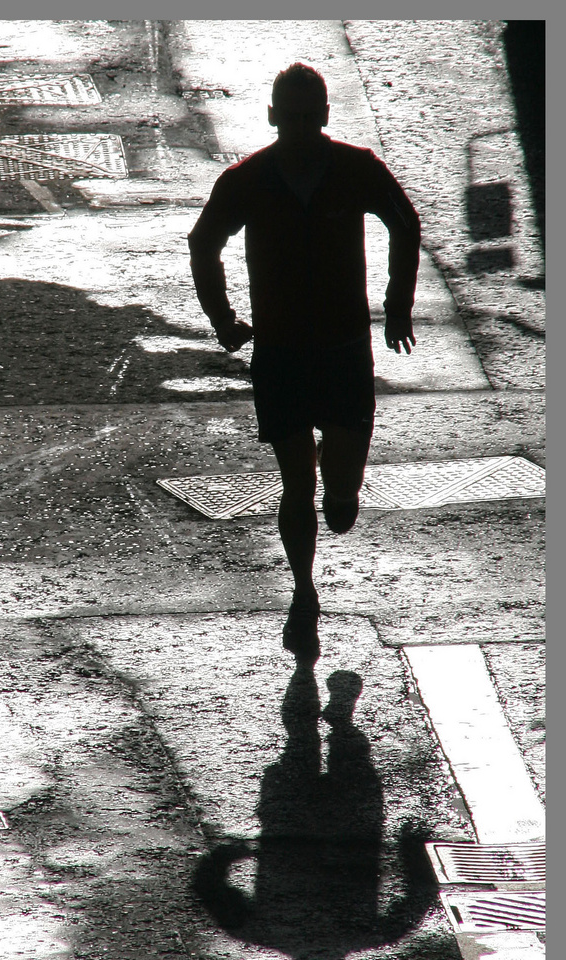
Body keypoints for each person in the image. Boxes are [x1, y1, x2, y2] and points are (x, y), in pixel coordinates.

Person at [188, 63, 420, 657]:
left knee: (337, 505)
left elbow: (405, 224)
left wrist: (397, 307)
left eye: (304, 115)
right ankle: (302, 591)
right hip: (281, 353)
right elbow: (202, 242)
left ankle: (341, 490)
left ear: (322, 116)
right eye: (286, 116)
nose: (294, 125)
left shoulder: (357, 168)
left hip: (344, 350)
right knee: (295, 483)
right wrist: (224, 319)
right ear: (271, 117)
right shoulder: (247, 179)